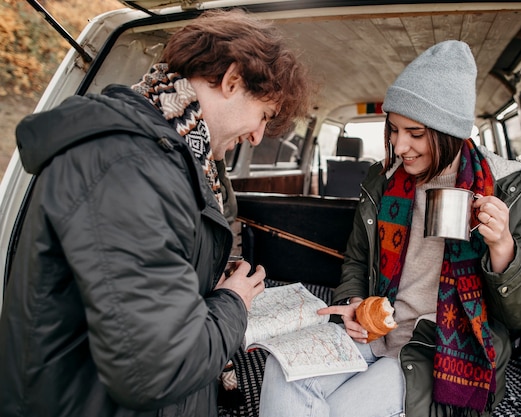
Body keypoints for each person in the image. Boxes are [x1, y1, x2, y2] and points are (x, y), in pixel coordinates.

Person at [0, 8, 312, 417]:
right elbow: (156, 370)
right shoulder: (129, 166)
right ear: (232, 80)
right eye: (264, 116)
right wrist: (233, 302)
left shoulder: (178, 162)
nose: (256, 136)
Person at [259, 40, 521, 417]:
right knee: (283, 368)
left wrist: (502, 246)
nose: (399, 145)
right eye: (393, 130)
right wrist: (354, 304)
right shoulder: (382, 179)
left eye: (415, 132)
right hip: (376, 329)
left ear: (449, 131)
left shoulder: (511, 187)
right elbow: (358, 261)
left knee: (342, 410)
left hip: (440, 344)